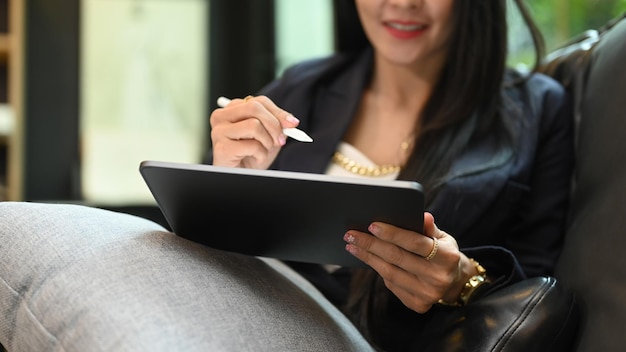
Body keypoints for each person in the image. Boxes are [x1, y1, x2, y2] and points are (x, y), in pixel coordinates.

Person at [208, 0, 574, 350]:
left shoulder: (536, 111)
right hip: (248, 322)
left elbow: (536, 295)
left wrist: (464, 282)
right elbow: (209, 252)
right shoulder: (303, 88)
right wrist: (227, 180)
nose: (403, 2)